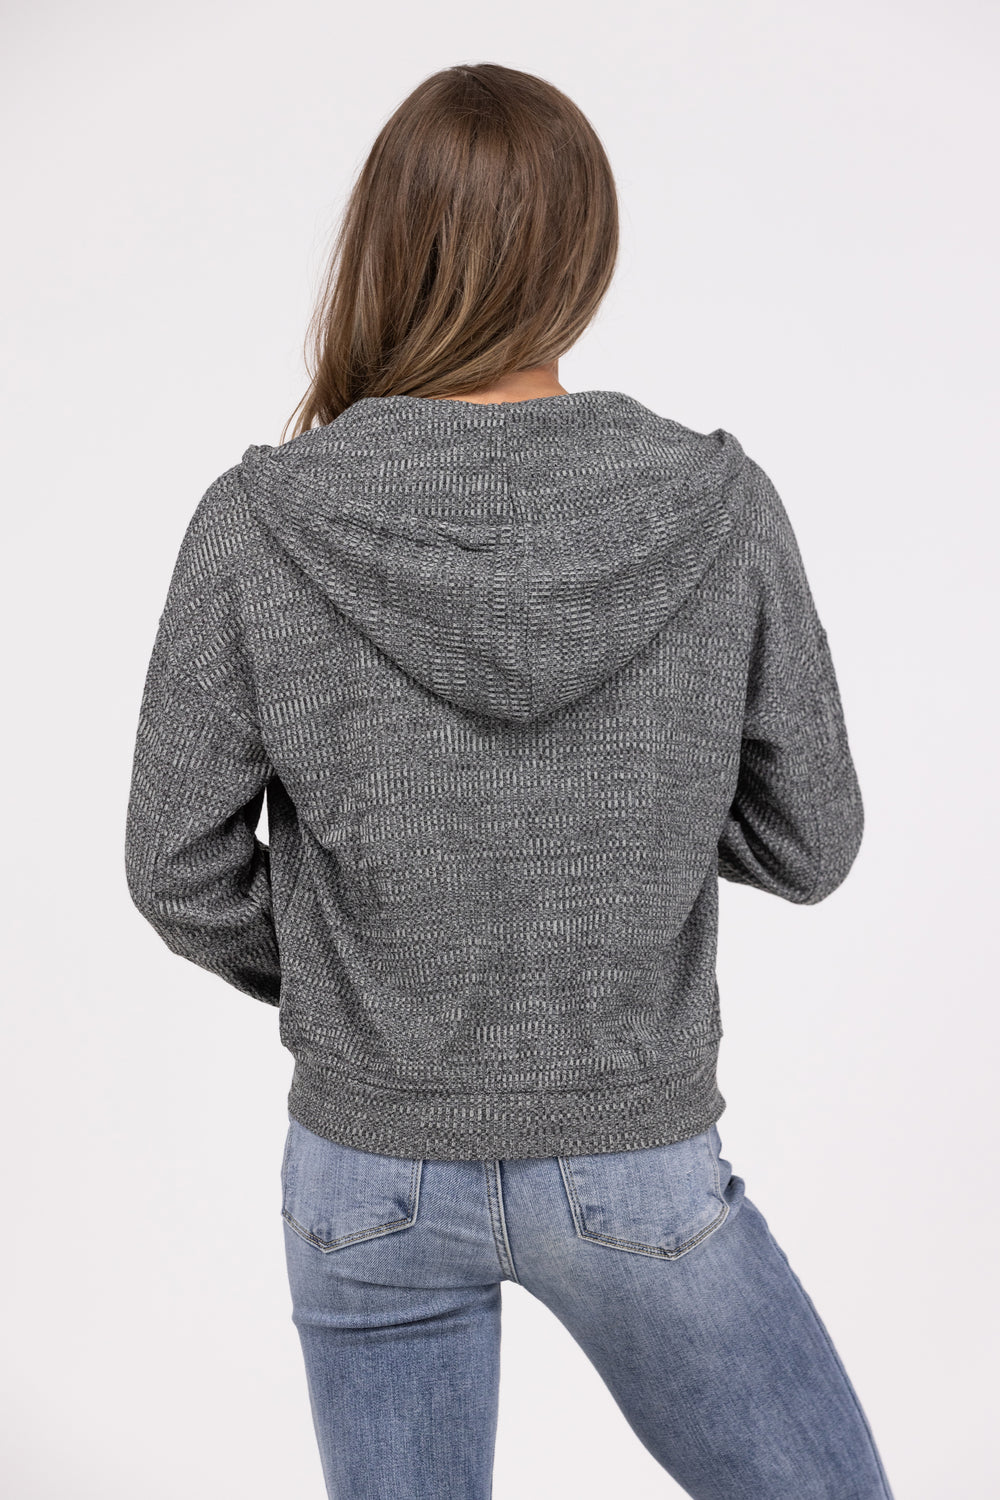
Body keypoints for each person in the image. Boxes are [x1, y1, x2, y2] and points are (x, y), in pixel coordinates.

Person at [124, 61, 895, 1500]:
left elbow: (176, 864)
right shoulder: (715, 504)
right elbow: (815, 837)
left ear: (384, 241)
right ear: (586, 253)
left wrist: (370, 975)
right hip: (633, 1152)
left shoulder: (260, 519)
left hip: (368, 1170)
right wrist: (639, 832)